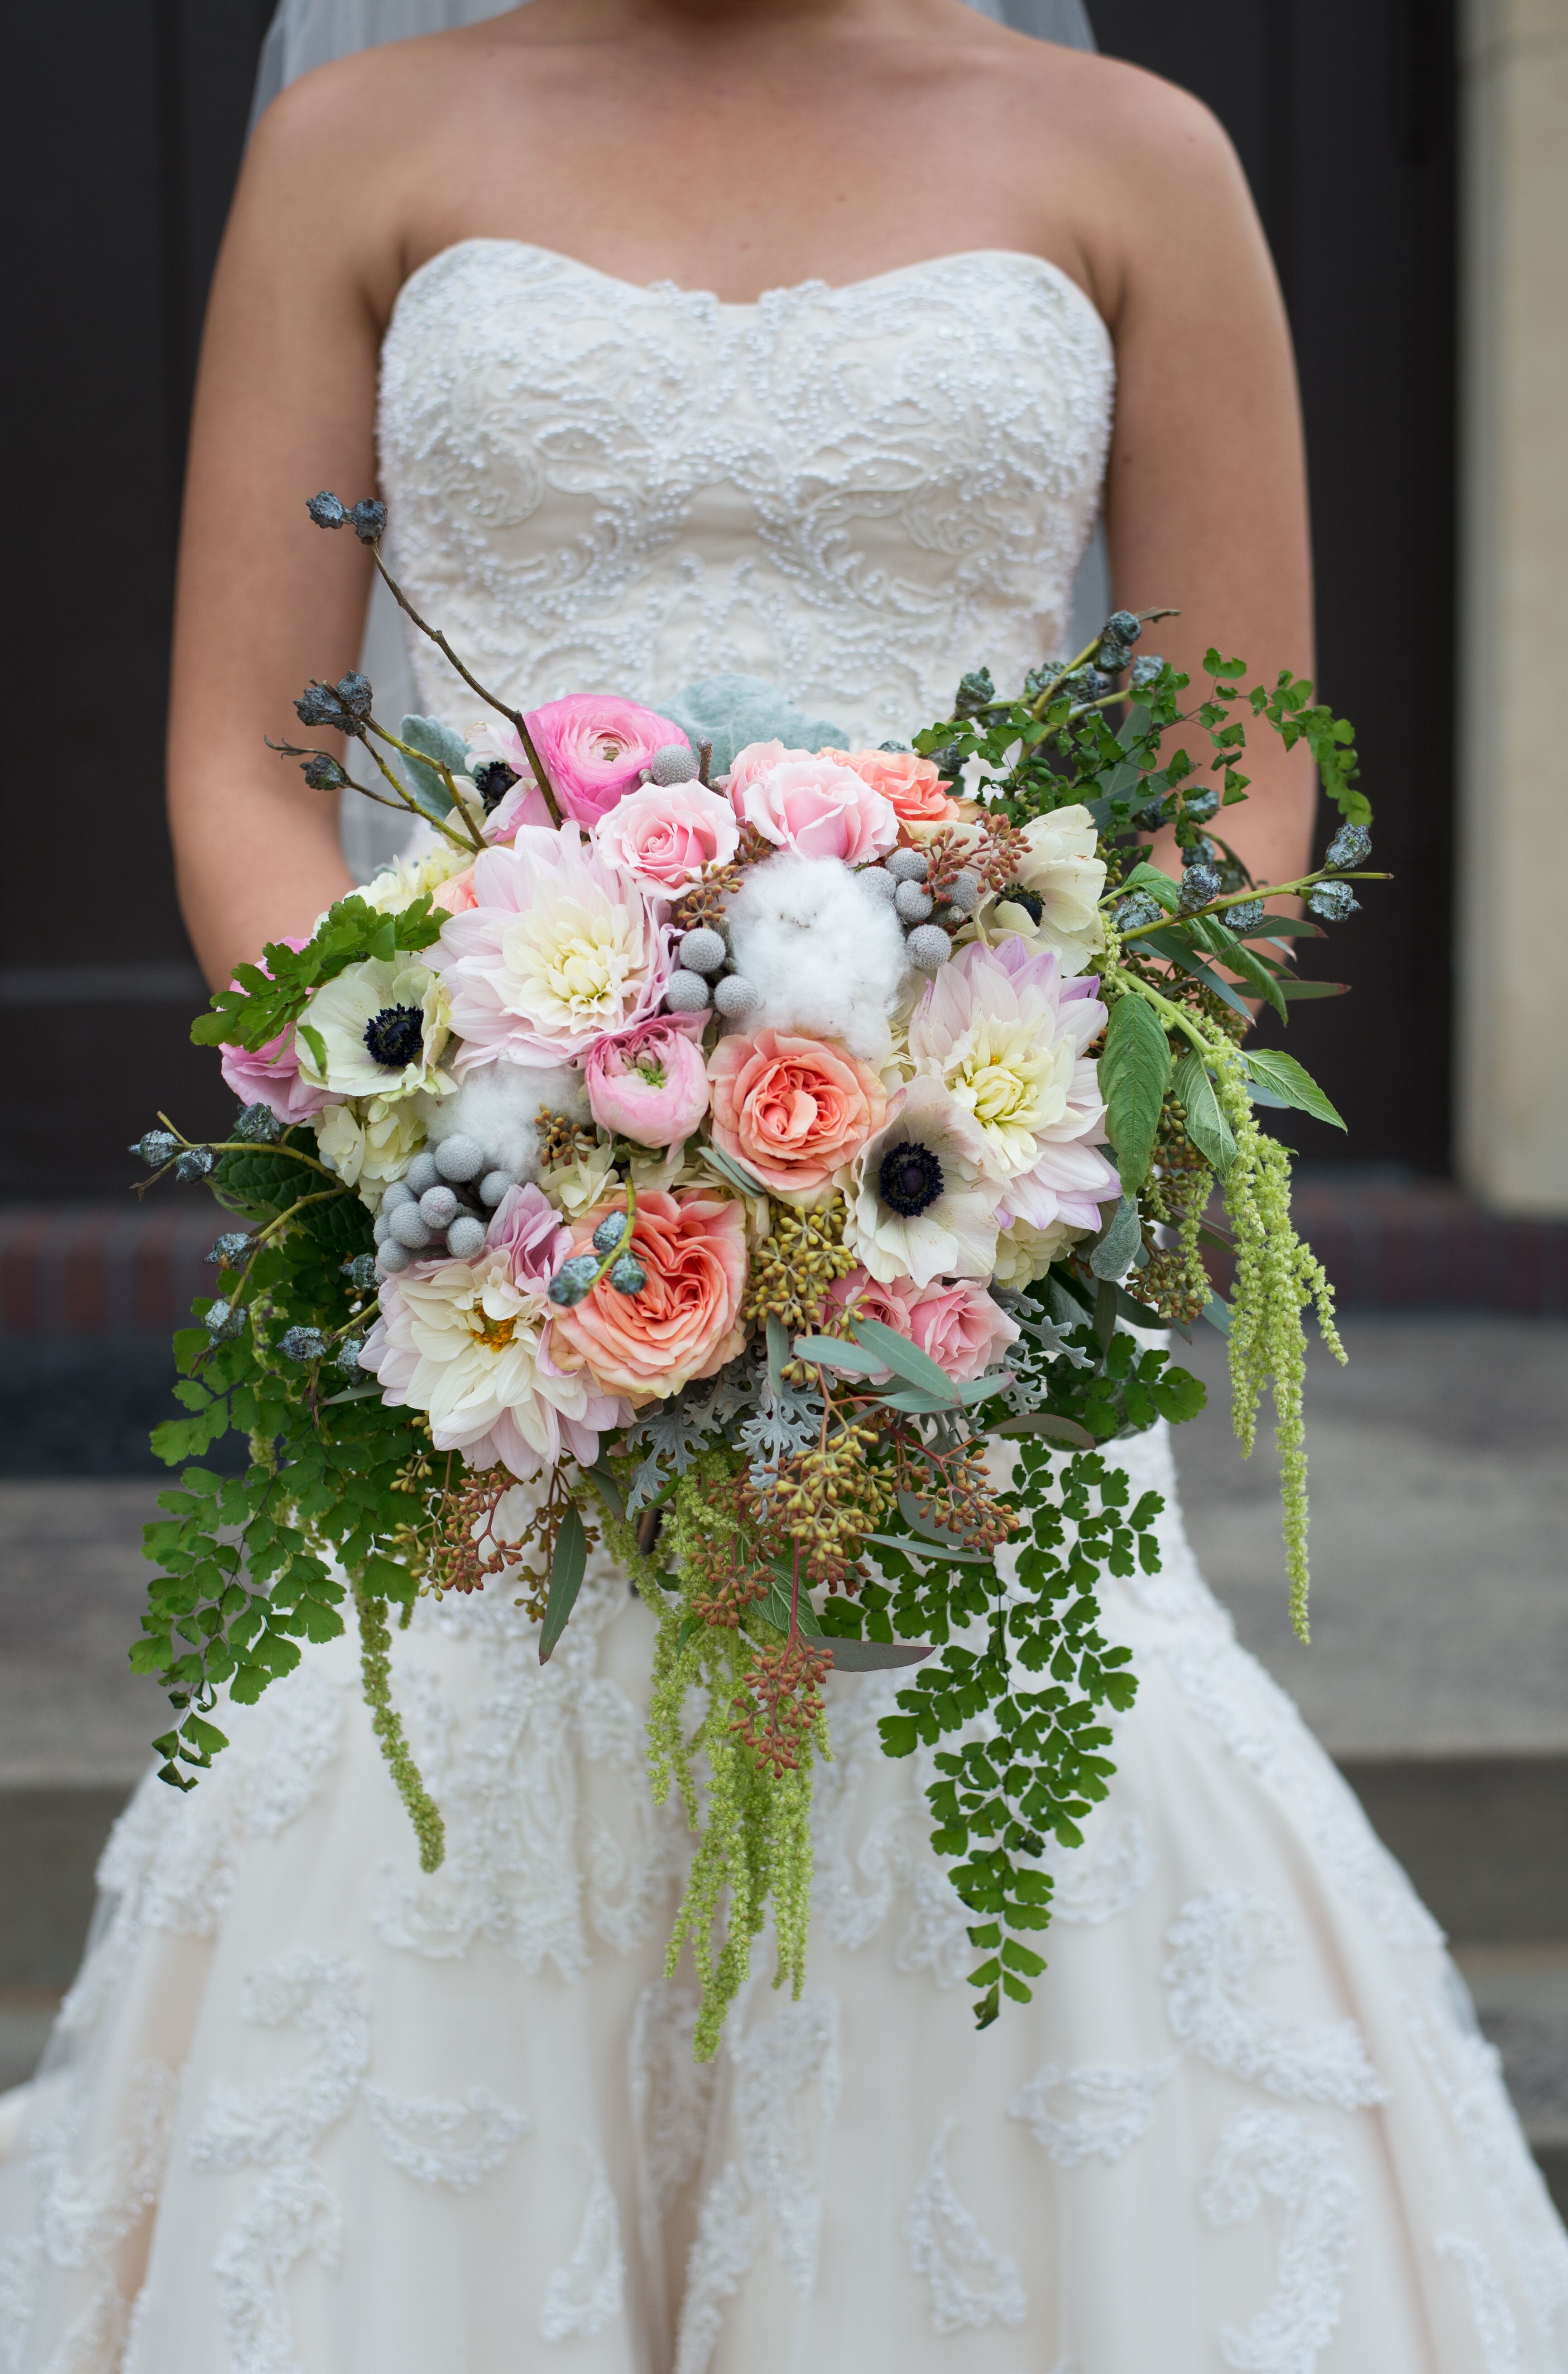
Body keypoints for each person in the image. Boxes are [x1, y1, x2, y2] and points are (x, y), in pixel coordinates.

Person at [2, 1, 1563, 2366]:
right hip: (493, 1247)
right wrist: (444, 1110)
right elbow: (241, 743)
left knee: (987, 1842)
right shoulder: (357, 145)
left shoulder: (1133, 158)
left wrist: (1018, 1105)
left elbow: (1241, 793)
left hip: (960, 1230)